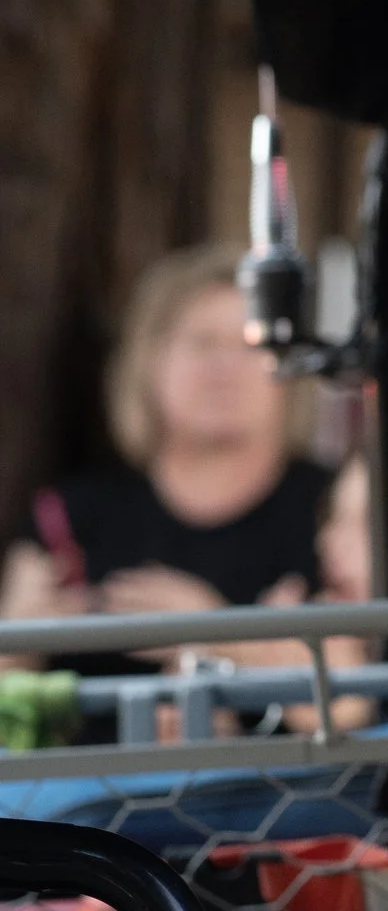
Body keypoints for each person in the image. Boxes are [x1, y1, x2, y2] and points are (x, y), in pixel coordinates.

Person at [2, 244, 329, 686]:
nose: (225, 368)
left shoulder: (333, 512)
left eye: (253, 344)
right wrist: (16, 642)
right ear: (148, 361)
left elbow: (365, 692)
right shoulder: (70, 520)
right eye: (202, 343)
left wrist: (219, 636)